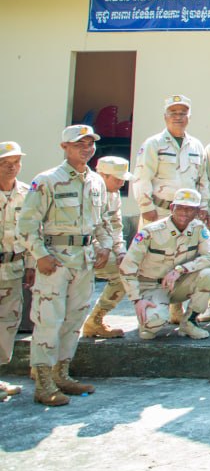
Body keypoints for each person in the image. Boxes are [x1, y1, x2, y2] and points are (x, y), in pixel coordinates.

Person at [19, 125, 112, 405]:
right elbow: (27, 224)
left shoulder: (96, 182)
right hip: (56, 259)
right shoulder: (47, 180)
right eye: (79, 144)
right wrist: (40, 255)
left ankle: (61, 373)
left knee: (73, 320)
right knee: (48, 320)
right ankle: (43, 381)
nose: (86, 148)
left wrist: (105, 245)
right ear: (64, 147)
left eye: (89, 143)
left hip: (84, 260)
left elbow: (103, 220)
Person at [119, 186, 210, 347]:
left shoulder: (199, 229)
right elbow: (127, 267)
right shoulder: (151, 232)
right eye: (181, 208)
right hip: (153, 287)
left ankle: (189, 322)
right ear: (172, 208)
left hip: (180, 285)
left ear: (197, 212)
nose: (185, 213)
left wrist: (181, 269)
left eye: (190, 209)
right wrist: (136, 299)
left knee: (209, 274)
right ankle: (149, 317)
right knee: (152, 327)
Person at [133, 94, 207, 224]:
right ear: (165, 117)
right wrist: (146, 207)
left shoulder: (196, 146)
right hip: (160, 212)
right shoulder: (153, 144)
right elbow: (142, 177)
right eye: (173, 113)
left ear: (189, 117)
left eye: (183, 113)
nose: (178, 117)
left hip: (189, 215)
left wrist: (204, 206)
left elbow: (203, 180)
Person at [81, 155, 132, 339]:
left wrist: (120, 251)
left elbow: (116, 225)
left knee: (125, 271)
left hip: (103, 249)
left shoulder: (113, 194)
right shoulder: (84, 190)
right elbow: (84, 227)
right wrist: (100, 248)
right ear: (102, 175)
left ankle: (95, 321)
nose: (121, 183)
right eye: (117, 179)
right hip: (79, 249)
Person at [0, 141, 29, 397]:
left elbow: (33, 232)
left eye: (16, 162)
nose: (12, 167)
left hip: (12, 268)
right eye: (5, 163)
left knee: (8, 324)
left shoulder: (27, 194)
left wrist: (31, 265)